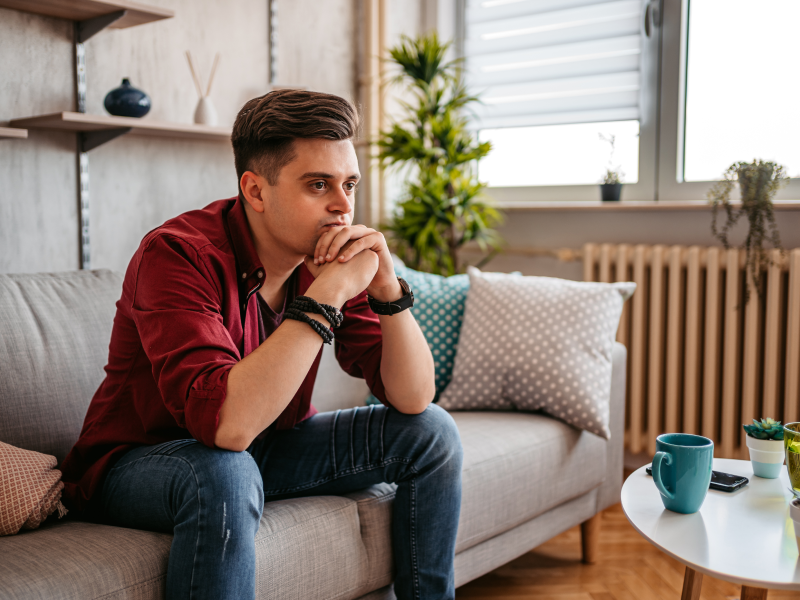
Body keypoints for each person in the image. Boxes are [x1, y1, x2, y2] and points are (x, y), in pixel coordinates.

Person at [59, 89, 463, 600]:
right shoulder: (178, 255)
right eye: (318, 185)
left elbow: (412, 398)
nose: (343, 205)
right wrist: (330, 292)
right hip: (140, 464)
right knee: (225, 471)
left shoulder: (325, 256)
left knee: (432, 431)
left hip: (264, 448)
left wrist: (386, 291)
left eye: (349, 184)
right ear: (255, 190)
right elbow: (228, 427)